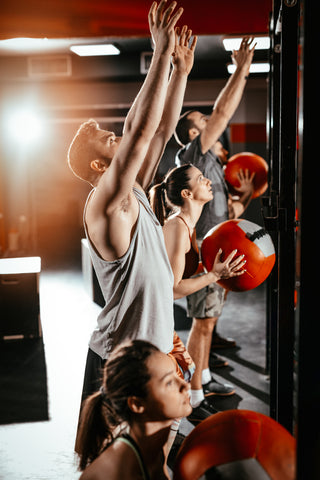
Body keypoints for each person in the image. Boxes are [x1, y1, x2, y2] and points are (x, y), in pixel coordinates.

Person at [67, 0, 197, 418]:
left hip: (154, 348)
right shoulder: (105, 204)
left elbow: (158, 131)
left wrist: (180, 73)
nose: (117, 139)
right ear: (98, 166)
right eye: (109, 140)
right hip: (119, 363)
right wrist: (158, 53)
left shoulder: (135, 190)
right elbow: (139, 133)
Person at [173, 37, 256, 415]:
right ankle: (193, 394)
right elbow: (223, 111)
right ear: (193, 134)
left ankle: (202, 377)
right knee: (201, 324)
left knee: (209, 324)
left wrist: (247, 197)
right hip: (206, 258)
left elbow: (230, 208)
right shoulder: (193, 155)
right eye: (202, 123)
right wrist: (241, 69)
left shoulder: (211, 168)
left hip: (219, 256)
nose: (211, 124)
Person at [149, 164, 246, 422]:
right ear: (187, 194)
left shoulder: (188, 226)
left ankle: (191, 408)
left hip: (159, 318)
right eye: (201, 179)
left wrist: (214, 269)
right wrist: (214, 275)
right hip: (149, 321)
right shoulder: (177, 227)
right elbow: (171, 290)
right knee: (171, 386)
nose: (208, 182)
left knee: (186, 372)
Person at [76, 339, 192, 479]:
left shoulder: (152, 442)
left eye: (176, 374)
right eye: (169, 383)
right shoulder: (115, 472)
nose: (185, 386)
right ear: (137, 404)